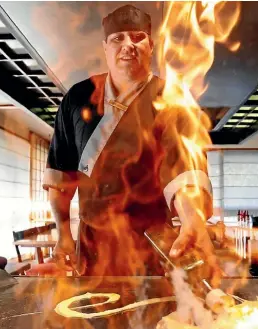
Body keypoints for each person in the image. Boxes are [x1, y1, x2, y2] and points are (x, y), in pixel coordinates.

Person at [43, 5, 219, 280]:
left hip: (153, 247)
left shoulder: (172, 98)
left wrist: (193, 219)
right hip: (92, 248)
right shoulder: (77, 98)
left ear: (151, 45)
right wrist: (63, 232)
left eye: (137, 37)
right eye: (118, 38)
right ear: (105, 46)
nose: (128, 45)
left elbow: (185, 169)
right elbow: (61, 175)